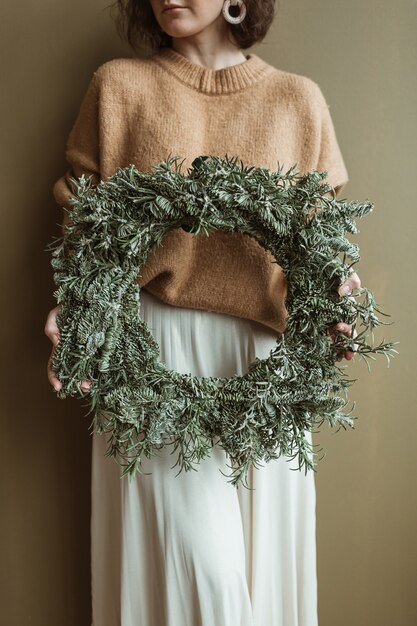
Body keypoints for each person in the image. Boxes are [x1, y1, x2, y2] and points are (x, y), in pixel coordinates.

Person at [44, 1, 360, 624]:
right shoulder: (119, 86)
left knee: (260, 585)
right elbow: (84, 224)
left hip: (266, 368)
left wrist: (340, 297)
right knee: (203, 581)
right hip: (149, 354)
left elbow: (326, 240)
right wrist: (74, 309)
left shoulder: (298, 102)